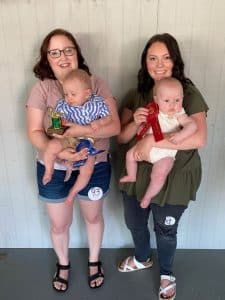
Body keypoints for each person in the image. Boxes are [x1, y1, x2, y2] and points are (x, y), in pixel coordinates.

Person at [26, 28, 120, 292]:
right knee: (59, 223)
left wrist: (84, 131)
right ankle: (64, 263)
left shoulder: (96, 84)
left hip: (94, 159)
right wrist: (58, 148)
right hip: (55, 166)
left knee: (93, 217)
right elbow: (36, 131)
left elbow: (113, 127)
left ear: (77, 53)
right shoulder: (43, 89)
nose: (63, 57)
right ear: (47, 58)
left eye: (68, 49)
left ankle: (94, 261)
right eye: (55, 52)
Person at [117, 33, 208, 300]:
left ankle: (167, 273)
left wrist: (150, 142)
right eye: (152, 58)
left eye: (166, 57)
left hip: (175, 174)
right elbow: (121, 137)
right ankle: (143, 257)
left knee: (165, 229)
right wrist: (135, 123)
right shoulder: (137, 94)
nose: (159, 64)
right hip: (137, 174)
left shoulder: (186, 93)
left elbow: (199, 138)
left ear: (175, 61)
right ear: (144, 62)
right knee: (134, 222)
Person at [120, 77, 197, 209]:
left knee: (159, 174)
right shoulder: (152, 110)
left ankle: (148, 197)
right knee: (129, 155)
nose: (172, 105)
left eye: (177, 100)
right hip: (146, 147)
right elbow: (145, 126)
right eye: (167, 100)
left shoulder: (179, 113)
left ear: (182, 98)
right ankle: (132, 175)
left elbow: (192, 125)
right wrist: (139, 127)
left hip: (165, 152)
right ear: (156, 99)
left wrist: (181, 134)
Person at [42, 69, 112, 204]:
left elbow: (109, 118)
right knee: (51, 146)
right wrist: (60, 123)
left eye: (73, 94)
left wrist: (99, 122)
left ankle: (73, 193)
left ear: (87, 93)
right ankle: (49, 170)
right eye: (66, 94)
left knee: (87, 170)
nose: (68, 98)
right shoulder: (64, 104)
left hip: (88, 141)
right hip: (69, 138)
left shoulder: (97, 103)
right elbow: (57, 119)